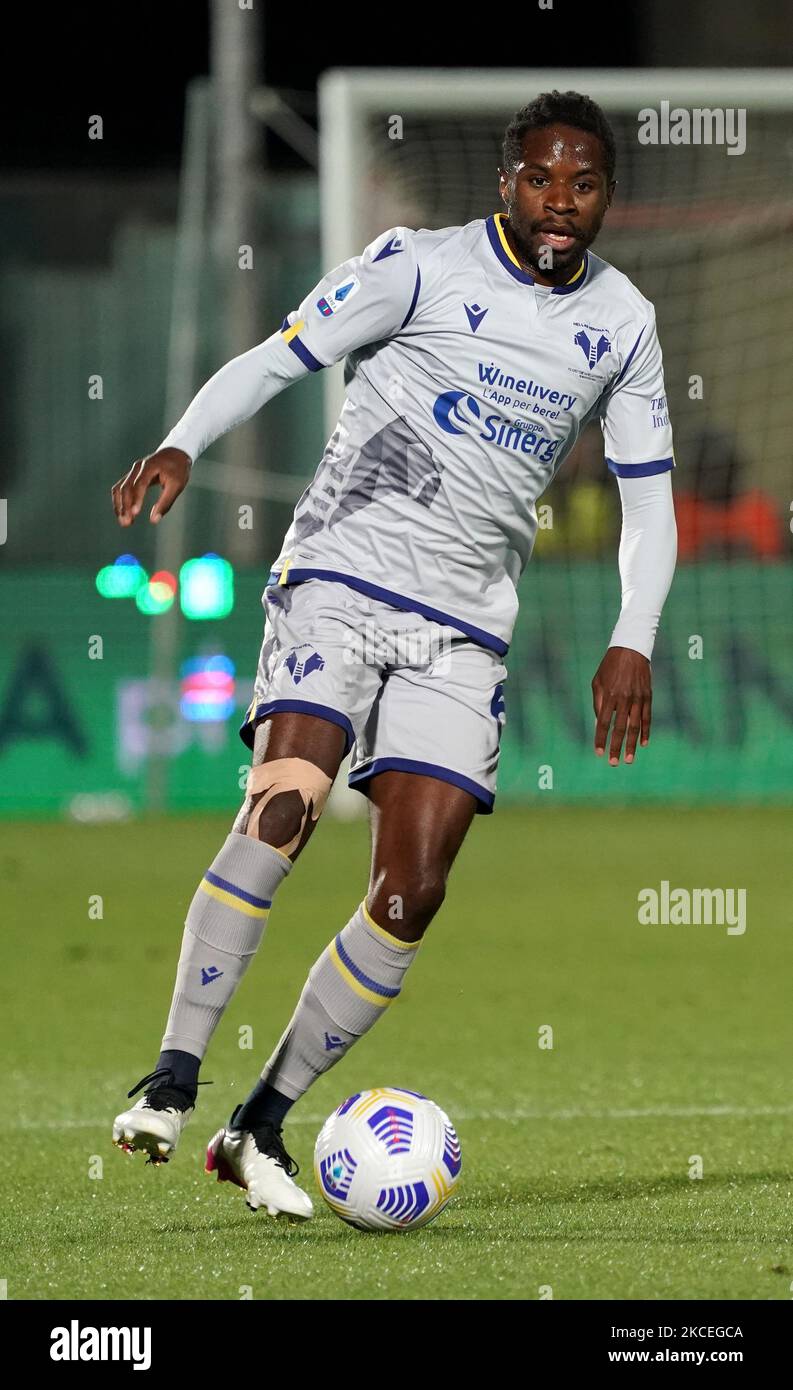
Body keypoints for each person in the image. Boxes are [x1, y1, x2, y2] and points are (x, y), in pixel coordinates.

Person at [110, 90, 677, 1222]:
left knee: (412, 890)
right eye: (540, 181)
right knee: (286, 801)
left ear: (606, 194)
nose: (561, 205)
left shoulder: (623, 322)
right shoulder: (417, 268)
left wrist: (632, 637)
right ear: (504, 183)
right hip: (342, 576)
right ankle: (171, 1075)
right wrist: (182, 437)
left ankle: (257, 1123)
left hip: (464, 625)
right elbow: (274, 360)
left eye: (584, 185)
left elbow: (648, 502)